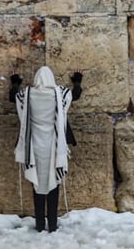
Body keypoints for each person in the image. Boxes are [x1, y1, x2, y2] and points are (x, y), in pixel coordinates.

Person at [9, 67, 83, 232]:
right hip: (53, 146)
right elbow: (76, 94)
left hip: (34, 146)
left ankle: (40, 224)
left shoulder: (27, 94)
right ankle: (53, 224)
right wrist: (77, 79)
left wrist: (15, 81)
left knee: (38, 183)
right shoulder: (60, 94)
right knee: (53, 182)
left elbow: (12, 96)